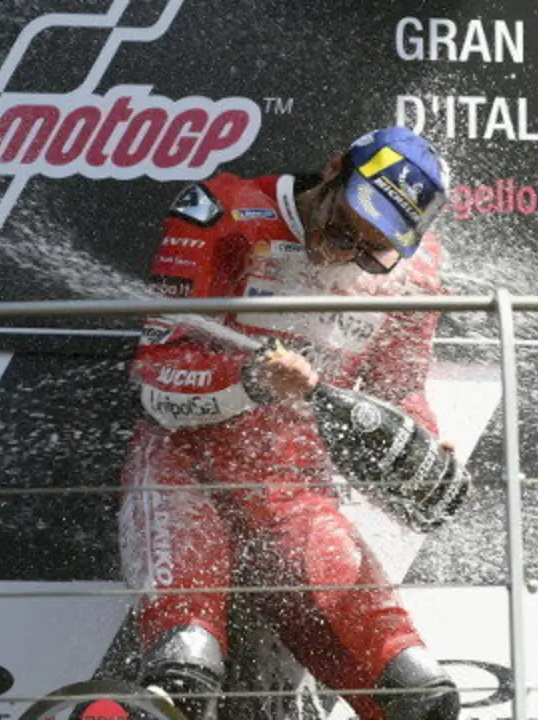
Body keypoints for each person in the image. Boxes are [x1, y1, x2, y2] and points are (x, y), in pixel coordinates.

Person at [118, 126, 464, 720]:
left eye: (371, 249)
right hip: (182, 469)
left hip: (293, 492)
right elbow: (153, 376)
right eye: (344, 227)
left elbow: (399, 389)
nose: (344, 252)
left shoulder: (415, 273)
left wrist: (424, 445)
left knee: (418, 693)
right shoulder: (223, 211)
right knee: (186, 669)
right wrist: (250, 379)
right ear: (333, 170)